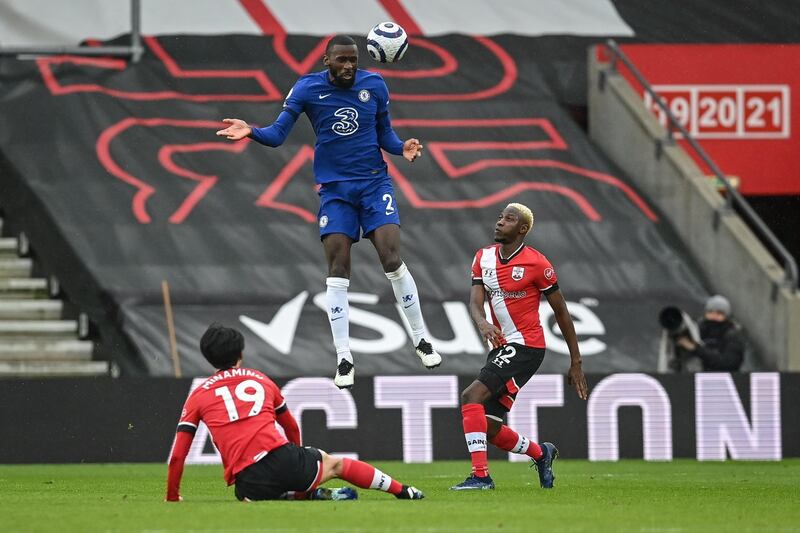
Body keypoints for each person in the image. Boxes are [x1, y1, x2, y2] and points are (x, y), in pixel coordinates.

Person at [216, 35, 441, 389]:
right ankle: (344, 357)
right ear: (327, 61)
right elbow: (277, 135)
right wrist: (251, 132)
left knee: (391, 257)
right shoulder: (307, 89)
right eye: (342, 60)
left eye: (353, 59)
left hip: (373, 184)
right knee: (338, 269)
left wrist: (402, 149)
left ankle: (421, 338)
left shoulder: (375, 84)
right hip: (335, 191)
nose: (349, 66)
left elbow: (385, 133)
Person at [166, 323, 424, 502]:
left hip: (248, 483)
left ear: (207, 357)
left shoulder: (198, 394)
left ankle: (293, 494)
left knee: (251, 495)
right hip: (285, 461)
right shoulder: (261, 380)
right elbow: (291, 428)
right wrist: (295, 460)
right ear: (240, 354)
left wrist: (172, 496)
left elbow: (178, 455)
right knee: (335, 464)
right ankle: (403, 491)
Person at [451, 203, 589, 491]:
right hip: (502, 347)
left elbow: (562, 312)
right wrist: (483, 324)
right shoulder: (483, 258)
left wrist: (575, 360)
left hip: (527, 346)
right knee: (487, 426)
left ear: (523, 229)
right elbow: (475, 302)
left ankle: (481, 476)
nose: (500, 222)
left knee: (471, 396)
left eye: (509, 219)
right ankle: (542, 453)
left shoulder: (538, 264)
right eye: (500, 217)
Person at [670, 295, 745, 372]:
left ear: (727, 316)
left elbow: (729, 364)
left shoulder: (732, 335)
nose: (714, 316)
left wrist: (695, 349)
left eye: (719, 313)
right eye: (710, 312)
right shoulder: (698, 329)